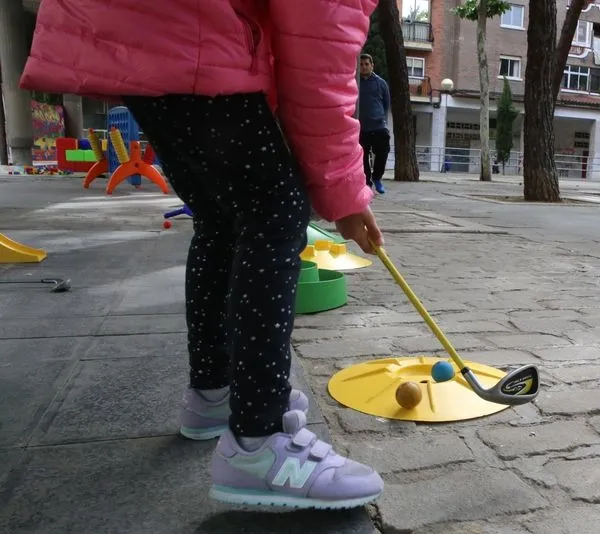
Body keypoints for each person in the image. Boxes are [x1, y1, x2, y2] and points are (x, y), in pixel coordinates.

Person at [20, 0, 386, 510]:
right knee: (275, 214)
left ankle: (214, 394)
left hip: (150, 36)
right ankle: (258, 442)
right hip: (192, 40)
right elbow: (319, 64)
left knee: (220, 219)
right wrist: (344, 194)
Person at [358, 54, 391, 195]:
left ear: (372, 65)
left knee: (383, 153)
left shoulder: (381, 83)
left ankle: (377, 178)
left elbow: (386, 104)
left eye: (367, 64)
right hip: (361, 127)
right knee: (362, 156)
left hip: (378, 126)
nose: (364, 67)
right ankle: (366, 183)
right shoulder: (355, 82)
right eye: (361, 64)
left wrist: (379, 116)